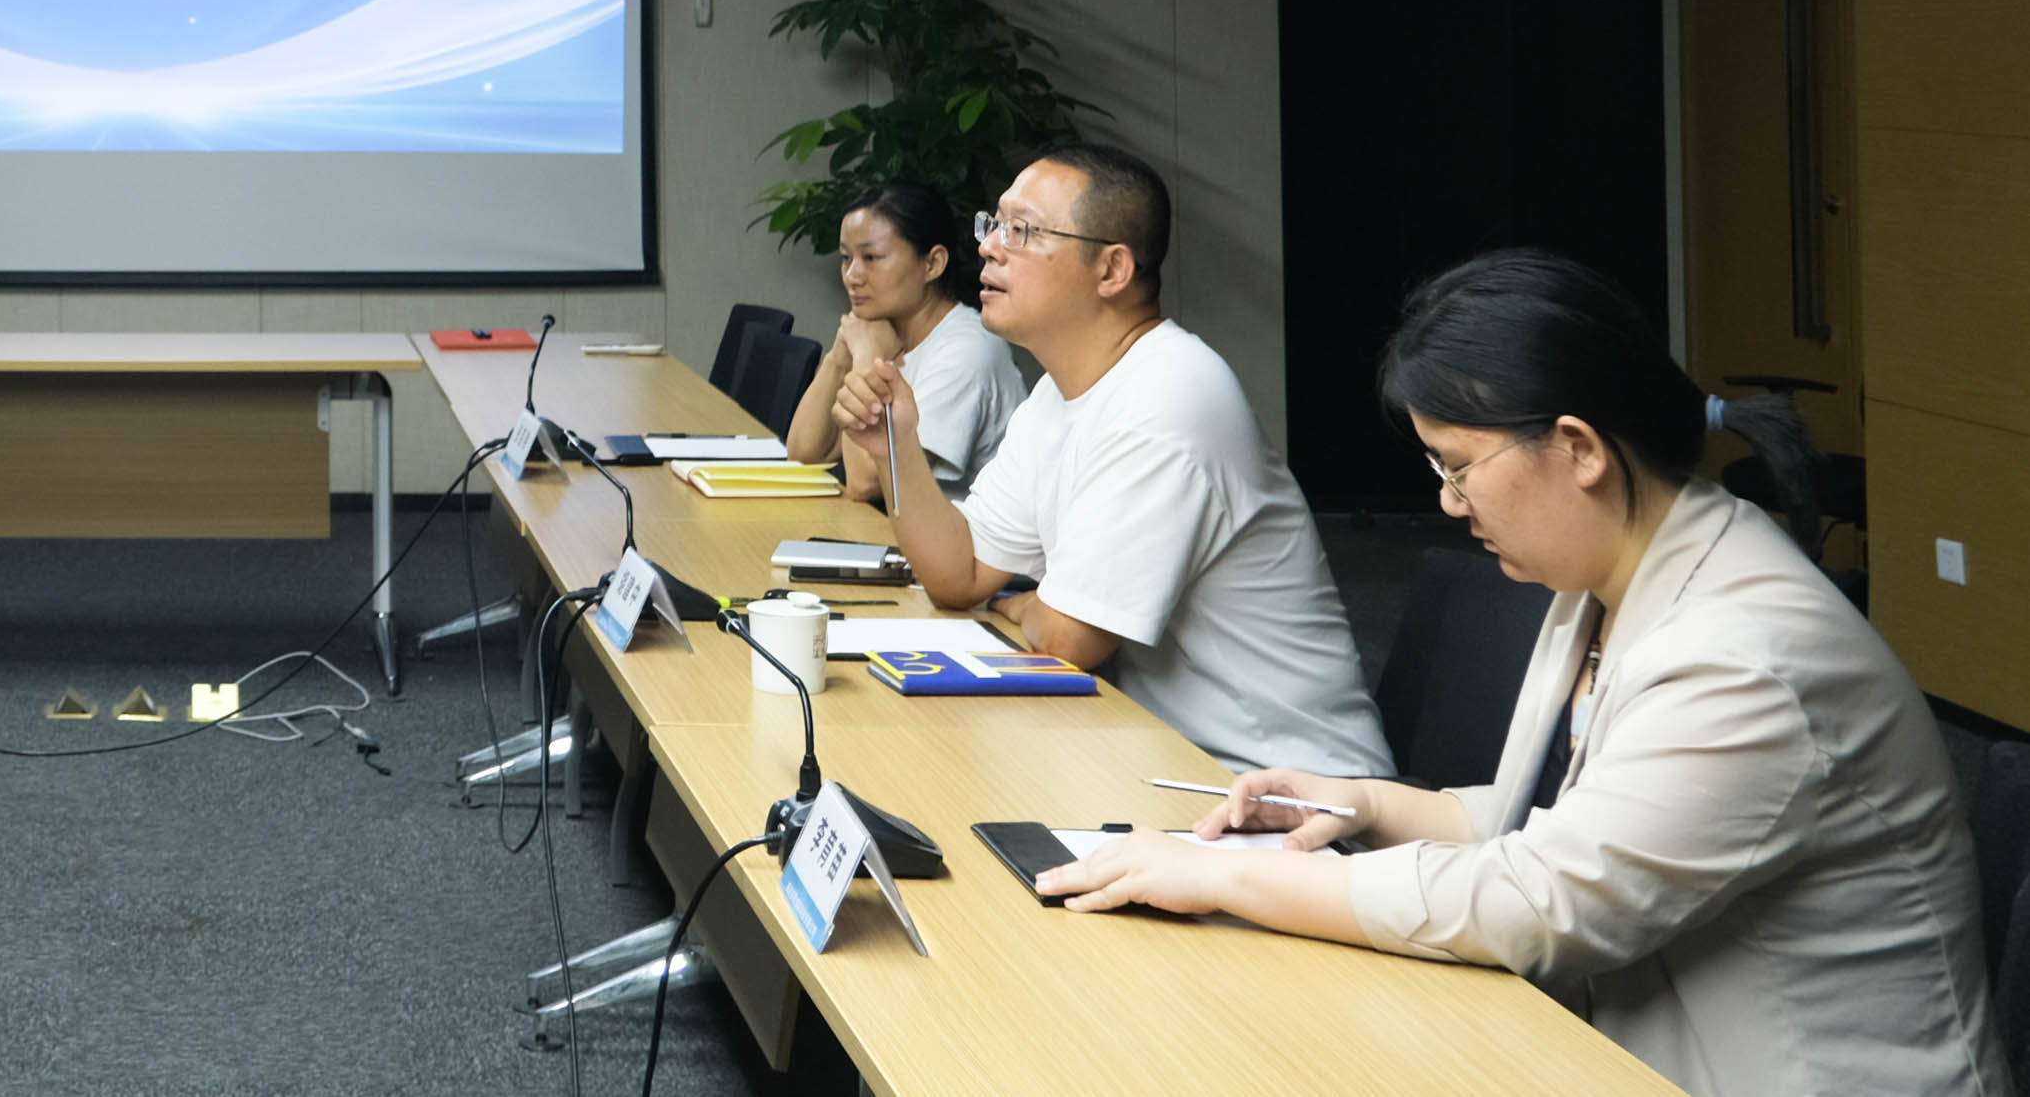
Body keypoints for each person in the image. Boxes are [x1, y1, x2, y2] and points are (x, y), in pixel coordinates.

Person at [1042, 249, 2004, 1097]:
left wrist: (1219, 877)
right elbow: (1557, 821)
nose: (1450, 503)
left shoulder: (1743, 655)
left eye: (1458, 466)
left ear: (1578, 449)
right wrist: (1364, 804)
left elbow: (1543, 902)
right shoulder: (1617, 569)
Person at [851, 141, 1389, 775]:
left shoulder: (1168, 396)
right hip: (1154, 749)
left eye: (1022, 230)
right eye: (993, 224)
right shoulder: (1060, 391)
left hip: (1282, 783)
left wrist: (1027, 603)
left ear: (1111, 270)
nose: (990, 247)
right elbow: (958, 574)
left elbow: (1066, 641)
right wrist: (895, 446)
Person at [783, 180, 1021, 498]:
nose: (852, 276)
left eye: (871, 257)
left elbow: (867, 482)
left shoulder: (967, 350)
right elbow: (802, 456)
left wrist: (867, 358)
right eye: (846, 258)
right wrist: (840, 356)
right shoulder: (882, 330)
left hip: (957, 531)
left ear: (932, 264)